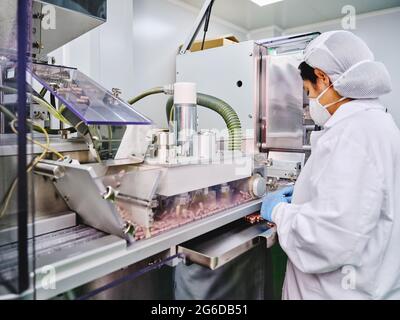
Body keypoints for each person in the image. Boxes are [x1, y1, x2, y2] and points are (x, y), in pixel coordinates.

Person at [261, 30, 400, 300]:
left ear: (323, 78)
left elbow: (329, 238)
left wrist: (278, 211)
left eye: (308, 91)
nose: (310, 101)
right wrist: (304, 197)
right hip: (375, 281)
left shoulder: (351, 135)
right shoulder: (381, 124)